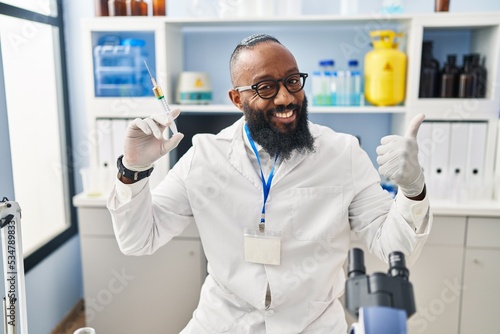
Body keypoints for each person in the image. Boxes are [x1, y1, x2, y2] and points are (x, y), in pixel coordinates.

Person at [107, 34, 432, 333]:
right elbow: (138, 240)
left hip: (313, 326)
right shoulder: (204, 157)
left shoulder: (342, 154)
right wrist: (133, 170)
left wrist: (413, 187)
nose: (286, 97)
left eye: (292, 81)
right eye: (265, 87)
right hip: (222, 324)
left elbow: (396, 249)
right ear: (237, 99)